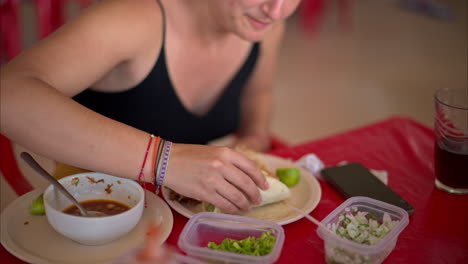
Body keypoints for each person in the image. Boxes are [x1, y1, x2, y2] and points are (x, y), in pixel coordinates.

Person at [0, 0, 301, 214]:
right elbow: (9, 95)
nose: (277, 9)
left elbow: (257, 93)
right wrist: (164, 161)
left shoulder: (266, 25)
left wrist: (253, 138)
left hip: (183, 211)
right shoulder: (131, 16)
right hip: (95, 211)